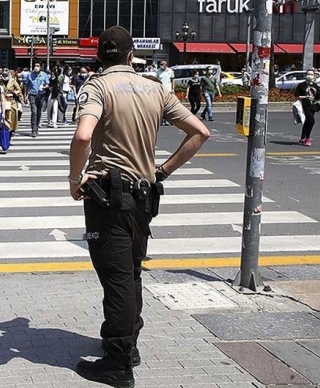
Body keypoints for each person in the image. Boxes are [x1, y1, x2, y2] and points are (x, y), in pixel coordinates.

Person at [68, 26, 210, 388]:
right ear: (131, 55)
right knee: (131, 273)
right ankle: (127, 346)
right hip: (144, 196)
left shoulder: (98, 87)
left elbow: (83, 135)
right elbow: (199, 132)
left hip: (108, 198)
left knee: (116, 279)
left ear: (100, 56)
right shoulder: (155, 88)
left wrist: (74, 178)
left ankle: (117, 363)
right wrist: (163, 170)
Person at [296, 69, 320, 146]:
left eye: (311, 74)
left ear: (314, 76)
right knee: (312, 120)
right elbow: (297, 96)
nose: (309, 76)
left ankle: (302, 138)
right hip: (305, 105)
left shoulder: (315, 86)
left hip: (313, 106)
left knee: (307, 122)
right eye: (308, 74)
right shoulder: (301, 85)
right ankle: (307, 138)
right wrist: (306, 97)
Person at [25, 62, 50, 137]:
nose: (36, 67)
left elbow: (47, 84)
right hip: (32, 95)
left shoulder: (44, 75)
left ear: (40, 67)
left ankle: (36, 128)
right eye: (35, 66)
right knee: (34, 112)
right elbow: (26, 85)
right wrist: (25, 96)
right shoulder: (30, 75)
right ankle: (33, 129)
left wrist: (44, 87)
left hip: (41, 95)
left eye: (38, 66)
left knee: (39, 112)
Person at [155, 61, 174, 126]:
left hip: (168, 90)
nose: (161, 65)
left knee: (168, 106)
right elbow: (156, 81)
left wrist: (172, 89)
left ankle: (167, 120)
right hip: (161, 90)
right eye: (160, 64)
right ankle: (161, 120)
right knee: (161, 106)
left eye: (162, 64)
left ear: (166, 64)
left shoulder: (170, 71)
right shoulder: (158, 71)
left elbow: (172, 80)